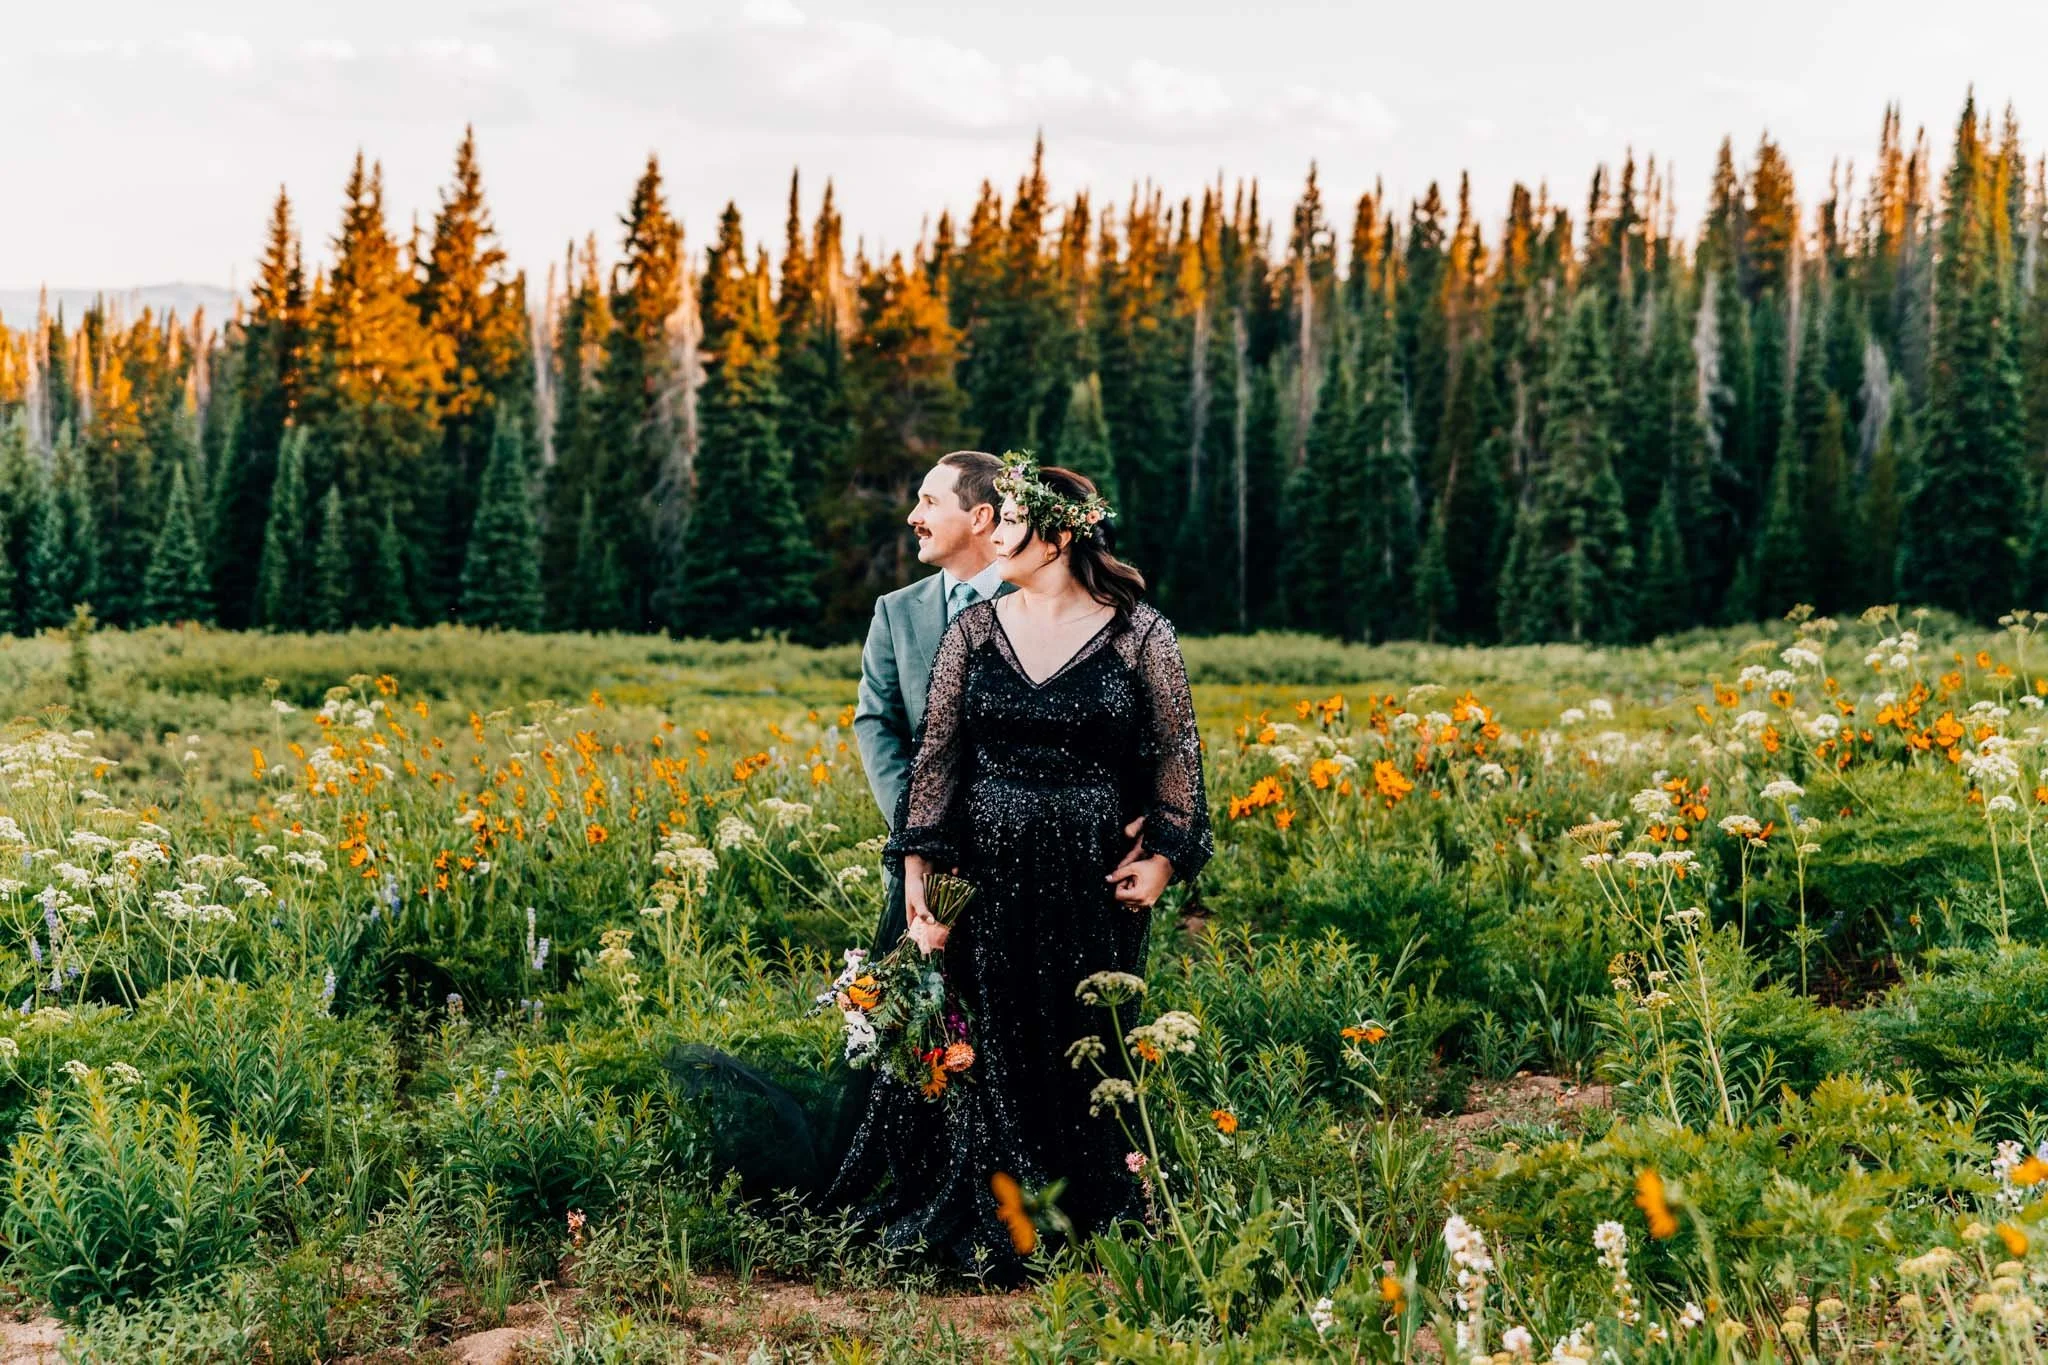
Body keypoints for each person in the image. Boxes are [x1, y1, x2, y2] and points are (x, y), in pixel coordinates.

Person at [828, 457, 1213, 1281]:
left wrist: (1166, 859)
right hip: (987, 875)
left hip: (1088, 879)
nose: (993, 535)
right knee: (992, 1041)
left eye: (1009, 521)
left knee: (1077, 1039)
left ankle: (1080, 1205)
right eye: (992, 517)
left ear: (1060, 533)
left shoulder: (1141, 632)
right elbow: (932, 762)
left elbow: (1177, 751)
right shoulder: (974, 632)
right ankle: (999, 1207)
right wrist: (920, 882)